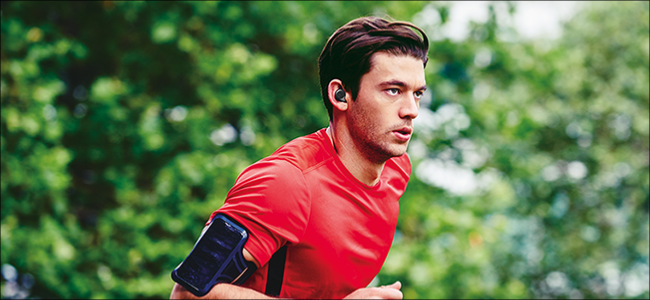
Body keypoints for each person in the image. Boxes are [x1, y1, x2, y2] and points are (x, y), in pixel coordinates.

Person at [170, 15, 428, 299]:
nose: (411, 110)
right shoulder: (285, 183)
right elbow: (187, 294)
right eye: (393, 90)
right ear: (341, 95)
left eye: (417, 93)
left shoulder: (396, 169)